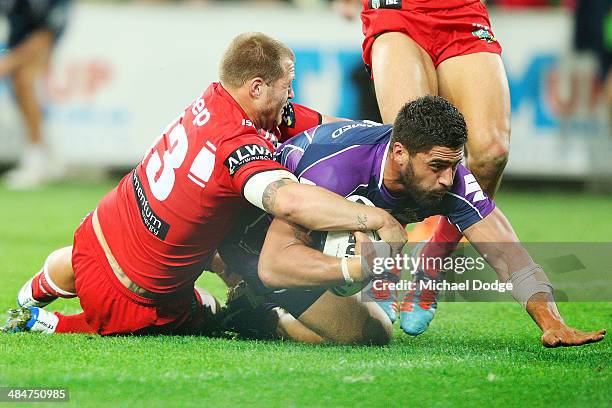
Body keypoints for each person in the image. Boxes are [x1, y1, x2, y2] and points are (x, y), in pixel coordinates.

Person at [2, 32, 406, 335]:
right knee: (219, 312)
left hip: (96, 234)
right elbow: (286, 200)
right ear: (257, 87)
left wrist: (378, 140)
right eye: (287, 85)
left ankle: (30, 297)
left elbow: (324, 128)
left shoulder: (216, 99)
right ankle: (46, 323)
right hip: (138, 296)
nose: (292, 93)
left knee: (80, 261)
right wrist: (373, 218)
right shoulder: (236, 144)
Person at [217, 95, 605, 348]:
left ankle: (254, 309)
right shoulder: (335, 173)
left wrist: (550, 320)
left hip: (316, 239)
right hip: (250, 226)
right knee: (356, 325)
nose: (447, 180)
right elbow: (275, 263)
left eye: (454, 165)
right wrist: (356, 266)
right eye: (437, 166)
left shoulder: (450, 178)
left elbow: (510, 257)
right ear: (399, 154)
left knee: (372, 333)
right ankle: (250, 299)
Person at [333, 0, 512, 335]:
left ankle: (434, 262)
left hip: (462, 11)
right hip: (398, 9)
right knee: (410, 148)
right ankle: (387, 264)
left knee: (492, 153)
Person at [0, 0, 72, 189]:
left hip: (48, 41)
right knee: (22, 89)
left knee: (25, 81)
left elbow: (46, 35)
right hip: (18, 41)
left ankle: (36, 159)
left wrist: (8, 62)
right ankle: (47, 155)